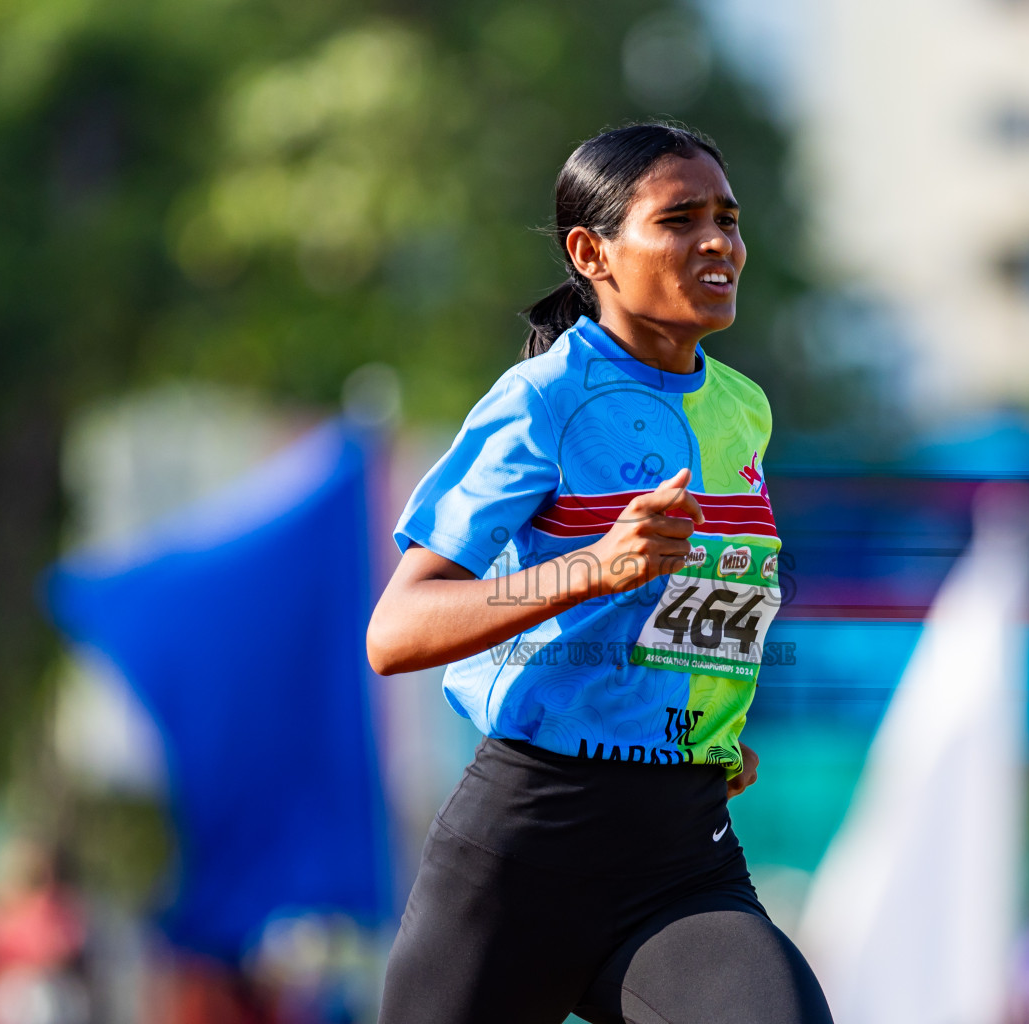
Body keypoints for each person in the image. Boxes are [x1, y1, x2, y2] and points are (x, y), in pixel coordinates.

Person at [367, 122, 833, 1024]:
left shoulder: (743, 410)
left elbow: (696, 602)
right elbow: (396, 631)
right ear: (593, 252)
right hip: (527, 848)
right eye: (680, 219)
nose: (718, 243)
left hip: (680, 857)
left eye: (729, 220)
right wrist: (589, 567)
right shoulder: (543, 398)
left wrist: (699, 716)